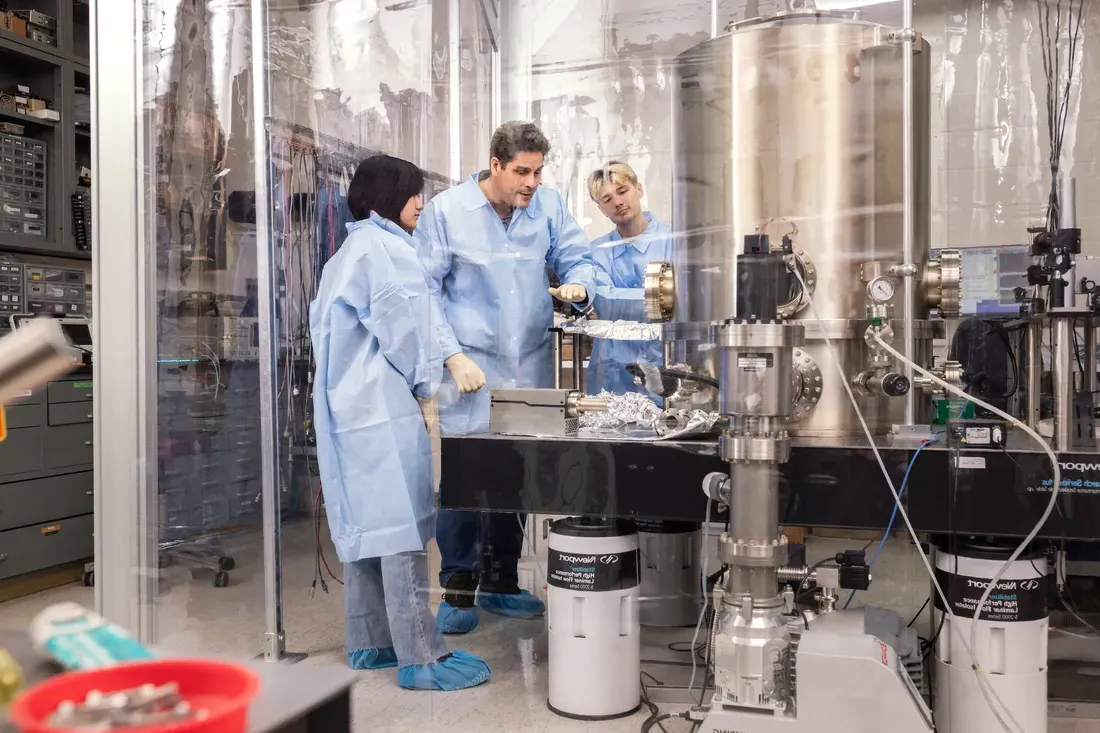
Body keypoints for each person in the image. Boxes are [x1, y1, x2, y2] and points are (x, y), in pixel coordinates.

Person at [309, 154, 490, 690]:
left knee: (368, 526)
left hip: (345, 408)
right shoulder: (391, 250)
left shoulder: (347, 251)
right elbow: (404, 331)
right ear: (389, 195)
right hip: (382, 407)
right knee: (402, 528)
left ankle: (370, 644)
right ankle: (421, 656)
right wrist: (424, 383)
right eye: (414, 193)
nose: (421, 203)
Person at [414, 121, 597, 634]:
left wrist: (580, 285)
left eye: (538, 172)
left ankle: (501, 583)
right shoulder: (448, 212)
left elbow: (575, 256)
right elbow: (424, 291)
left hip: (529, 366)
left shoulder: (549, 207)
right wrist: (450, 356)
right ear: (495, 165)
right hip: (470, 370)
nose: (531, 182)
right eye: (522, 171)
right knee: (467, 478)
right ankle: (457, 587)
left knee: (515, 477)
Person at [585, 161, 673, 395]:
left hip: (664, 369)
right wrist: (660, 295)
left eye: (622, 191)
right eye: (607, 199)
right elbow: (604, 300)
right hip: (612, 374)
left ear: (639, 189)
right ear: (601, 209)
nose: (618, 202)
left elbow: (685, 298)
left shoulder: (674, 242)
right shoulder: (597, 251)